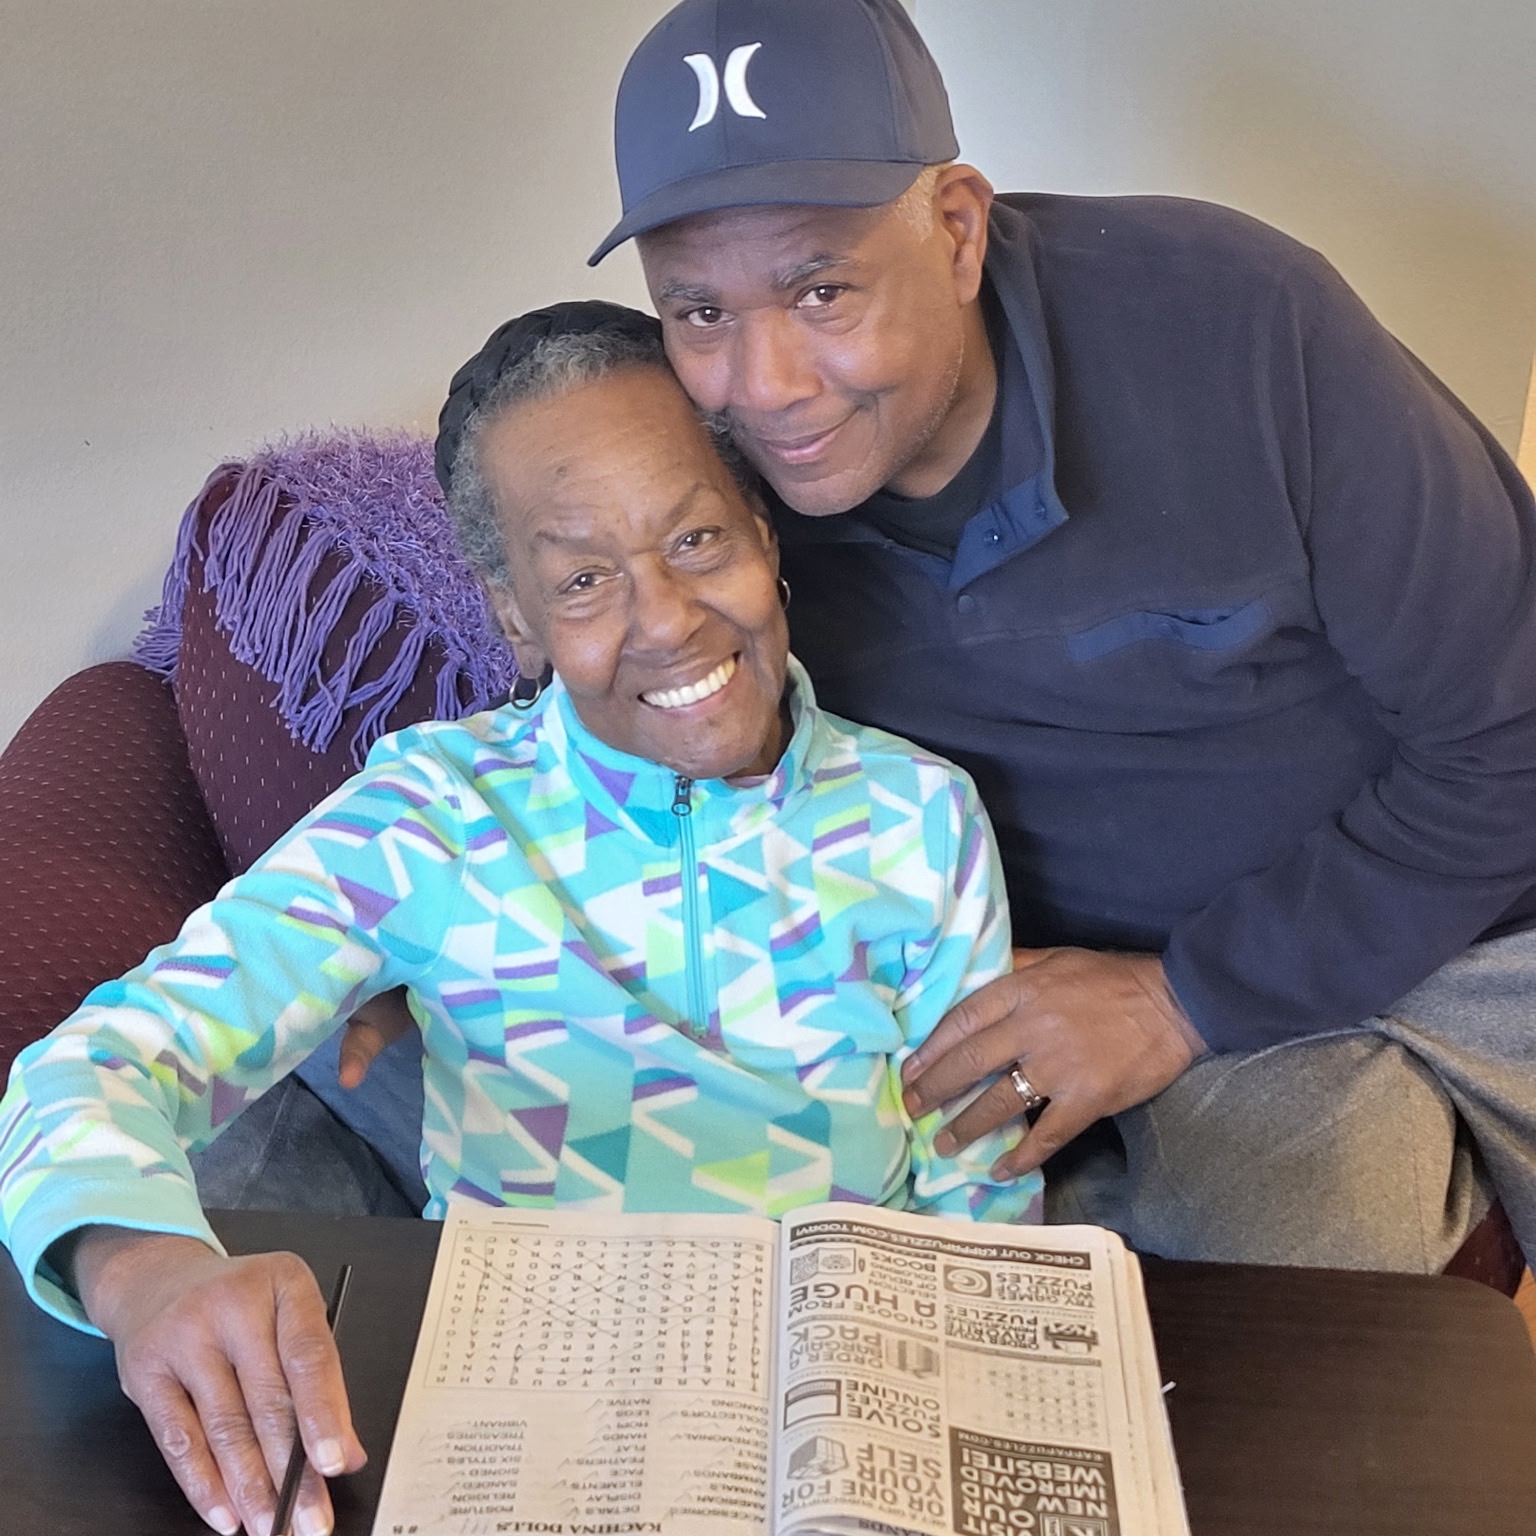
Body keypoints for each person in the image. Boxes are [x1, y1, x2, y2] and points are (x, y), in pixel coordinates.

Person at [0, 301, 1037, 1536]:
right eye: (583, 580)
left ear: (765, 534)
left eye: (698, 538)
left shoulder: (922, 815)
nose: (668, 618)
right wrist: (140, 1269)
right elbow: (95, 1063)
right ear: (513, 617)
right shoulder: (431, 814)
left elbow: (978, 1194)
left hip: (839, 1414)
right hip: (523, 1415)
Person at [564, 0, 1536, 1275]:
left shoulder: (1241, 324)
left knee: (1294, 1312)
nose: (768, 386)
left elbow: (1513, 739)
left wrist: (1178, 1001)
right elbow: (613, 719)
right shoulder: (702, 478)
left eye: (822, 290)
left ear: (956, 229)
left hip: (1411, 906)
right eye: (700, 313)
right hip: (1005, 981)